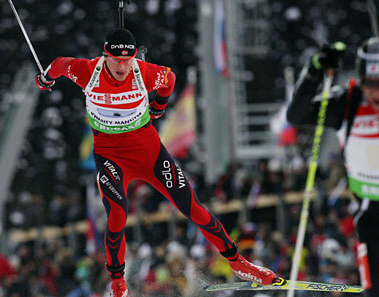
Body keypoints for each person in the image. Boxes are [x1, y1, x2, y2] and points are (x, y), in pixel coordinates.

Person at [36, 28, 277, 297]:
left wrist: (159, 106)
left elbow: (170, 78)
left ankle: (239, 263)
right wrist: (45, 79)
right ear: (105, 56)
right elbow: (59, 65)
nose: (123, 65)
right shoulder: (87, 71)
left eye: (128, 59)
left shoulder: (142, 72)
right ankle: (118, 282)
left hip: (149, 153)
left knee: (193, 208)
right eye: (116, 59)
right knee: (117, 215)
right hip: (111, 156)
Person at [287, 38, 379, 297]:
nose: (375, 94)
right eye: (368, 85)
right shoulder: (347, 103)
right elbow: (297, 115)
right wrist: (315, 72)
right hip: (371, 216)